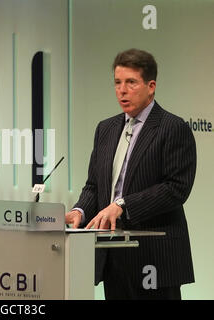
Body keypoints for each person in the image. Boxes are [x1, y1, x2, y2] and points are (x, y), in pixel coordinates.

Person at [65, 48, 196, 300]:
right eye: (117, 83)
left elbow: (176, 188)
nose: (122, 90)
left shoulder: (173, 128)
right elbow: (94, 186)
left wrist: (122, 205)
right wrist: (79, 211)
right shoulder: (106, 128)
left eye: (131, 83)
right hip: (113, 256)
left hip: (155, 257)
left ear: (151, 86)